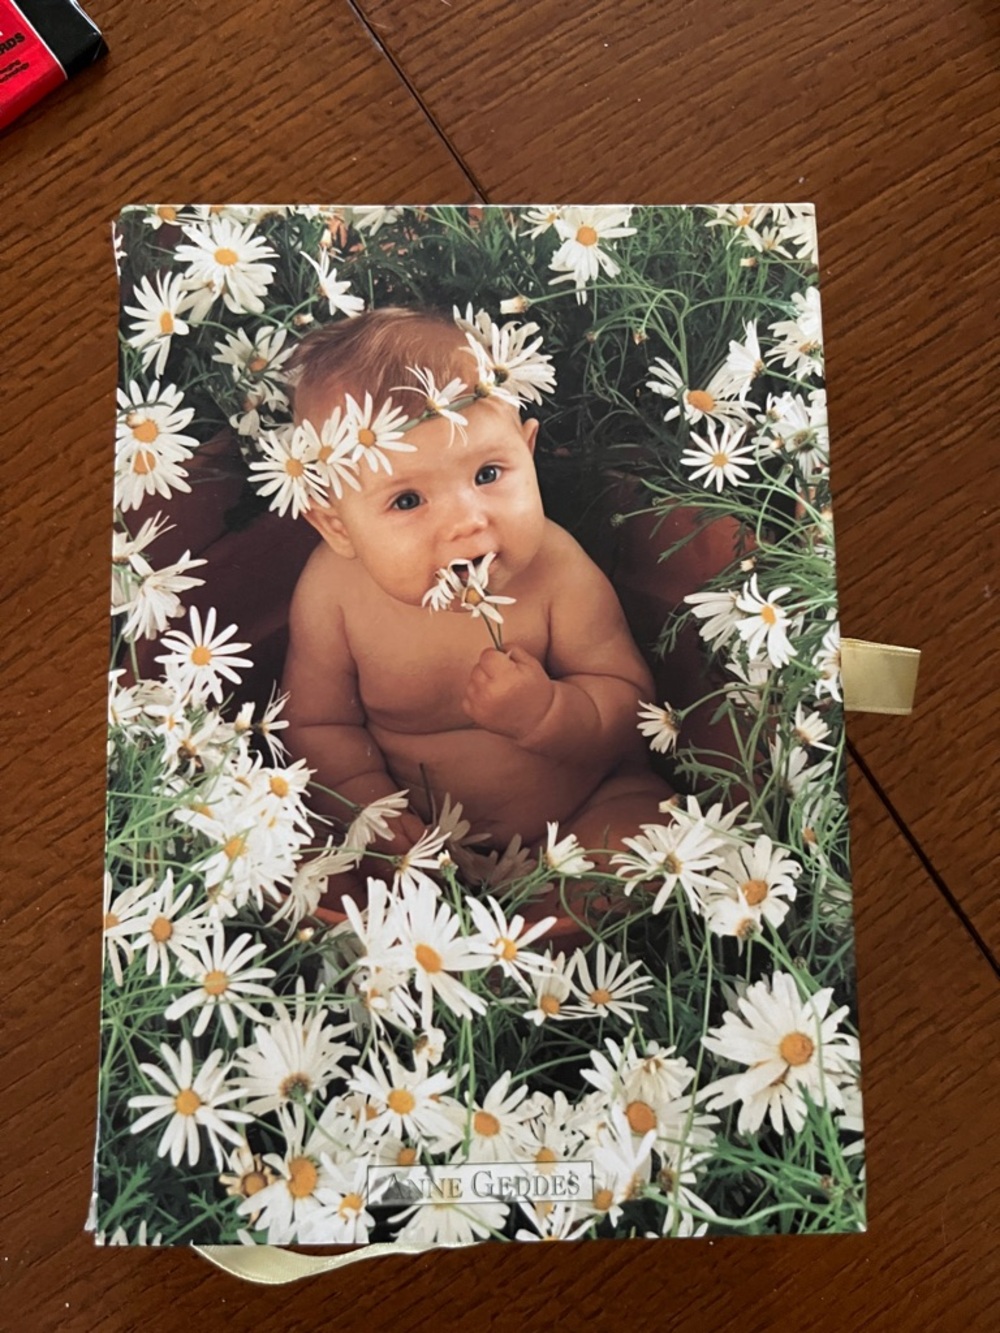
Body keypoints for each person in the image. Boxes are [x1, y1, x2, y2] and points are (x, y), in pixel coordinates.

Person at [281, 307, 671, 886]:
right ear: (337, 525)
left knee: (649, 837)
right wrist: (371, 808)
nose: (468, 522)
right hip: (419, 846)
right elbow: (316, 726)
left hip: (585, 808)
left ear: (528, 449)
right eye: (408, 501)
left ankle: (557, 918)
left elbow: (631, 703)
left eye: (488, 474)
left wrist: (547, 712)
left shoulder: (556, 568)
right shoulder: (333, 595)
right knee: (315, 870)